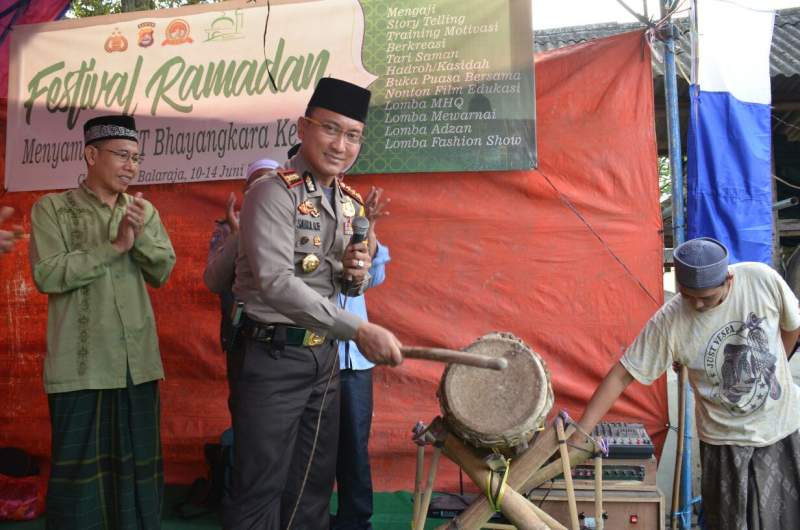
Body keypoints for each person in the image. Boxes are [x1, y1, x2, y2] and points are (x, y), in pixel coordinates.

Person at [223, 77, 403, 530]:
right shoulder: (270, 193)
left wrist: (355, 273)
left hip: (322, 359)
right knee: (260, 485)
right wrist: (359, 330)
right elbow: (276, 283)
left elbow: (342, 285)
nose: (341, 145)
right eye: (331, 129)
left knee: (311, 485)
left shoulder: (347, 204)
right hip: (273, 355)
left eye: (353, 135)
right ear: (303, 127)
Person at [577, 237, 800, 529]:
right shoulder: (670, 321)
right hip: (724, 442)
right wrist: (582, 431)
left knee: (787, 520)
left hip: (781, 429)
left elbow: (791, 326)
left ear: (728, 279)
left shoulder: (761, 280)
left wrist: (770, 371)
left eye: (706, 297)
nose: (696, 303)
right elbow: (622, 374)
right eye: (687, 294)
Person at [29, 115, 176, 529]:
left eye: (136, 158)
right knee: (80, 482)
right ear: (92, 155)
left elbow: (162, 271)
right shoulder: (52, 209)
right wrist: (114, 247)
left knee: (138, 477)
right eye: (122, 156)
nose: (131, 166)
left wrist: (138, 237)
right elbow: (48, 274)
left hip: (137, 366)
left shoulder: (143, 211)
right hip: (82, 368)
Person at [332, 186, 390, 530]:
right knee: (315, 446)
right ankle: (310, 516)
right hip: (311, 356)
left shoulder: (353, 220)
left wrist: (368, 226)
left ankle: (355, 520)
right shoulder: (294, 221)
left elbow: (376, 275)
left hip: (354, 360)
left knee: (353, 444)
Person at [204, 158, 281, 352]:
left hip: (283, 335)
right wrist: (237, 234)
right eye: (256, 185)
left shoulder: (291, 224)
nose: (262, 191)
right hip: (242, 331)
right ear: (245, 189)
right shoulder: (228, 227)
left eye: (269, 184)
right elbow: (214, 281)